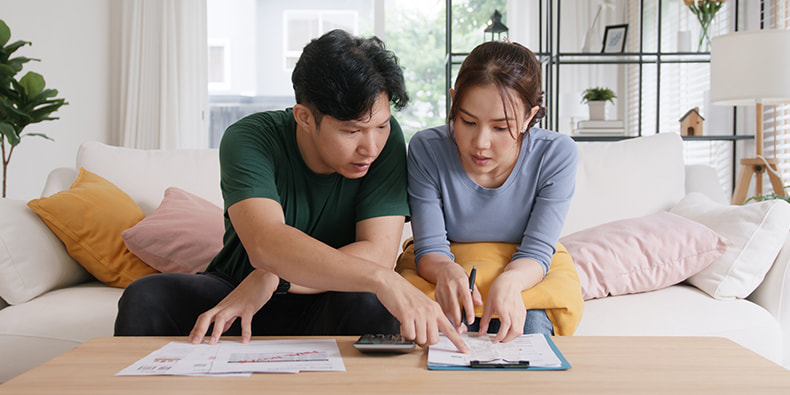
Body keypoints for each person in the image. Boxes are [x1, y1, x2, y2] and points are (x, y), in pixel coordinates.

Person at [115, 29, 469, 353]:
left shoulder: (387, 142)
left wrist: (275, 278)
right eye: (351, 131)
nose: (370, 147)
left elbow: (377, 252)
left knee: (368, 301)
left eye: (380, 125)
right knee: (146, 296)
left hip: (324, 294)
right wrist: (379, 279)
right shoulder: (249, 138)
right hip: (238, 289)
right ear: (303, 117)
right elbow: (267, 243)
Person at [396, 40, 584, 344]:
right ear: (454, 102)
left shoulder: (556, 154)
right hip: (444, 268)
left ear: (528, 117)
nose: (480, 142)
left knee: (529, 329)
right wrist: (447, 271)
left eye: (500, 127)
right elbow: (429, 248)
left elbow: (537, 251)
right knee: (431, 335)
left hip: (527, 269)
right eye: (468, 122)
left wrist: (511, 280)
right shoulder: (427, 149)